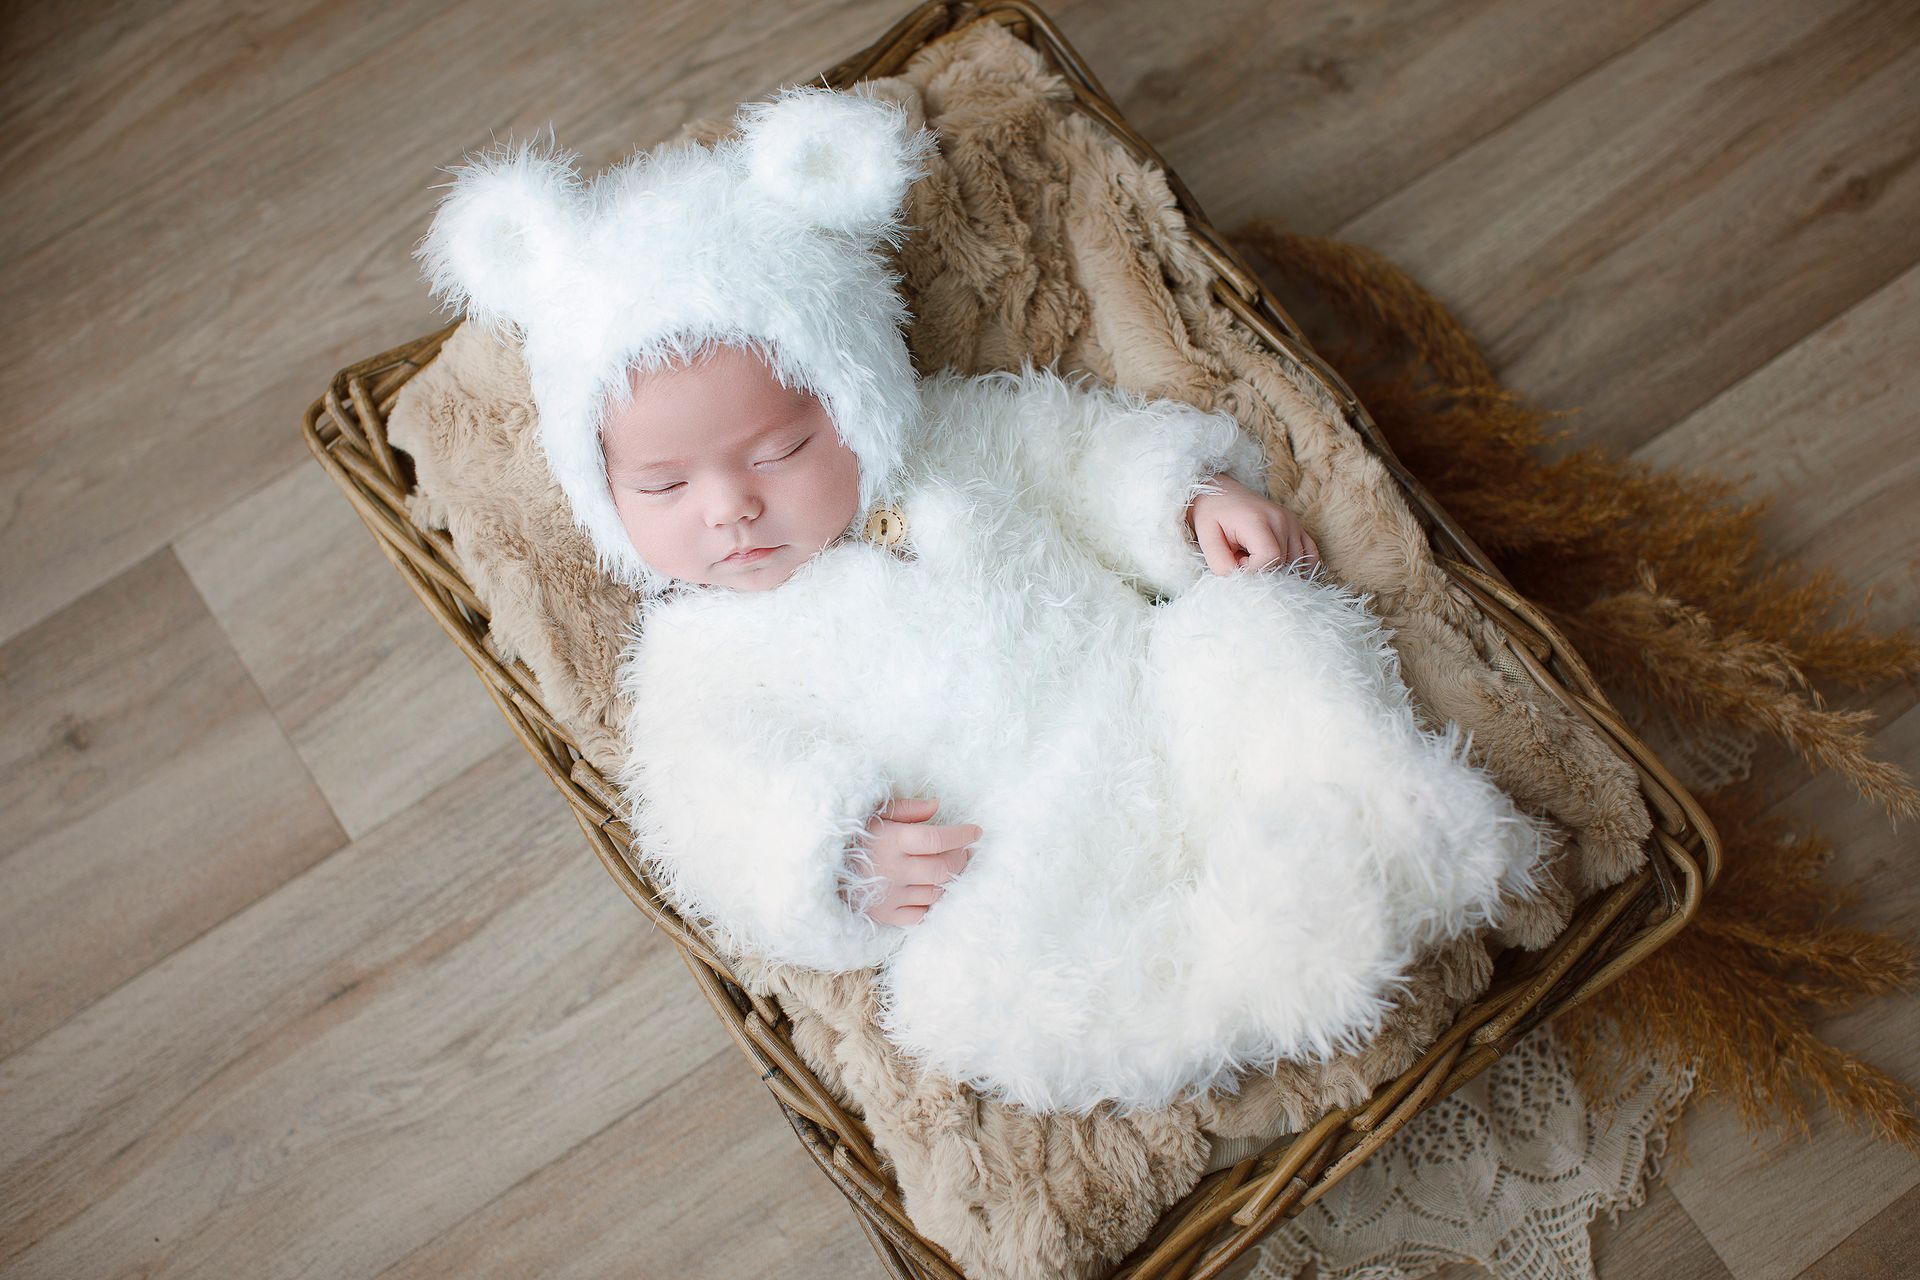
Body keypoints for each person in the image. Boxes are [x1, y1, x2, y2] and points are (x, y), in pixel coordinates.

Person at [418, 84, 1545, 1114]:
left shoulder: (952, 438)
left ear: (855, 391)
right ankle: (1238, 985)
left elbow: (1074, 453)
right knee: (975, 988)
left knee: (1261, 630)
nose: (728, 510)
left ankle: (1383, 841)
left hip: (1149, 698)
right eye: (662, 485)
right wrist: (833, 852)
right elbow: (708, 803)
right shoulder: (702, 653)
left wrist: (1185, 500)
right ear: (601, 489)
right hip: (1006, 846)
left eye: (781, 449)